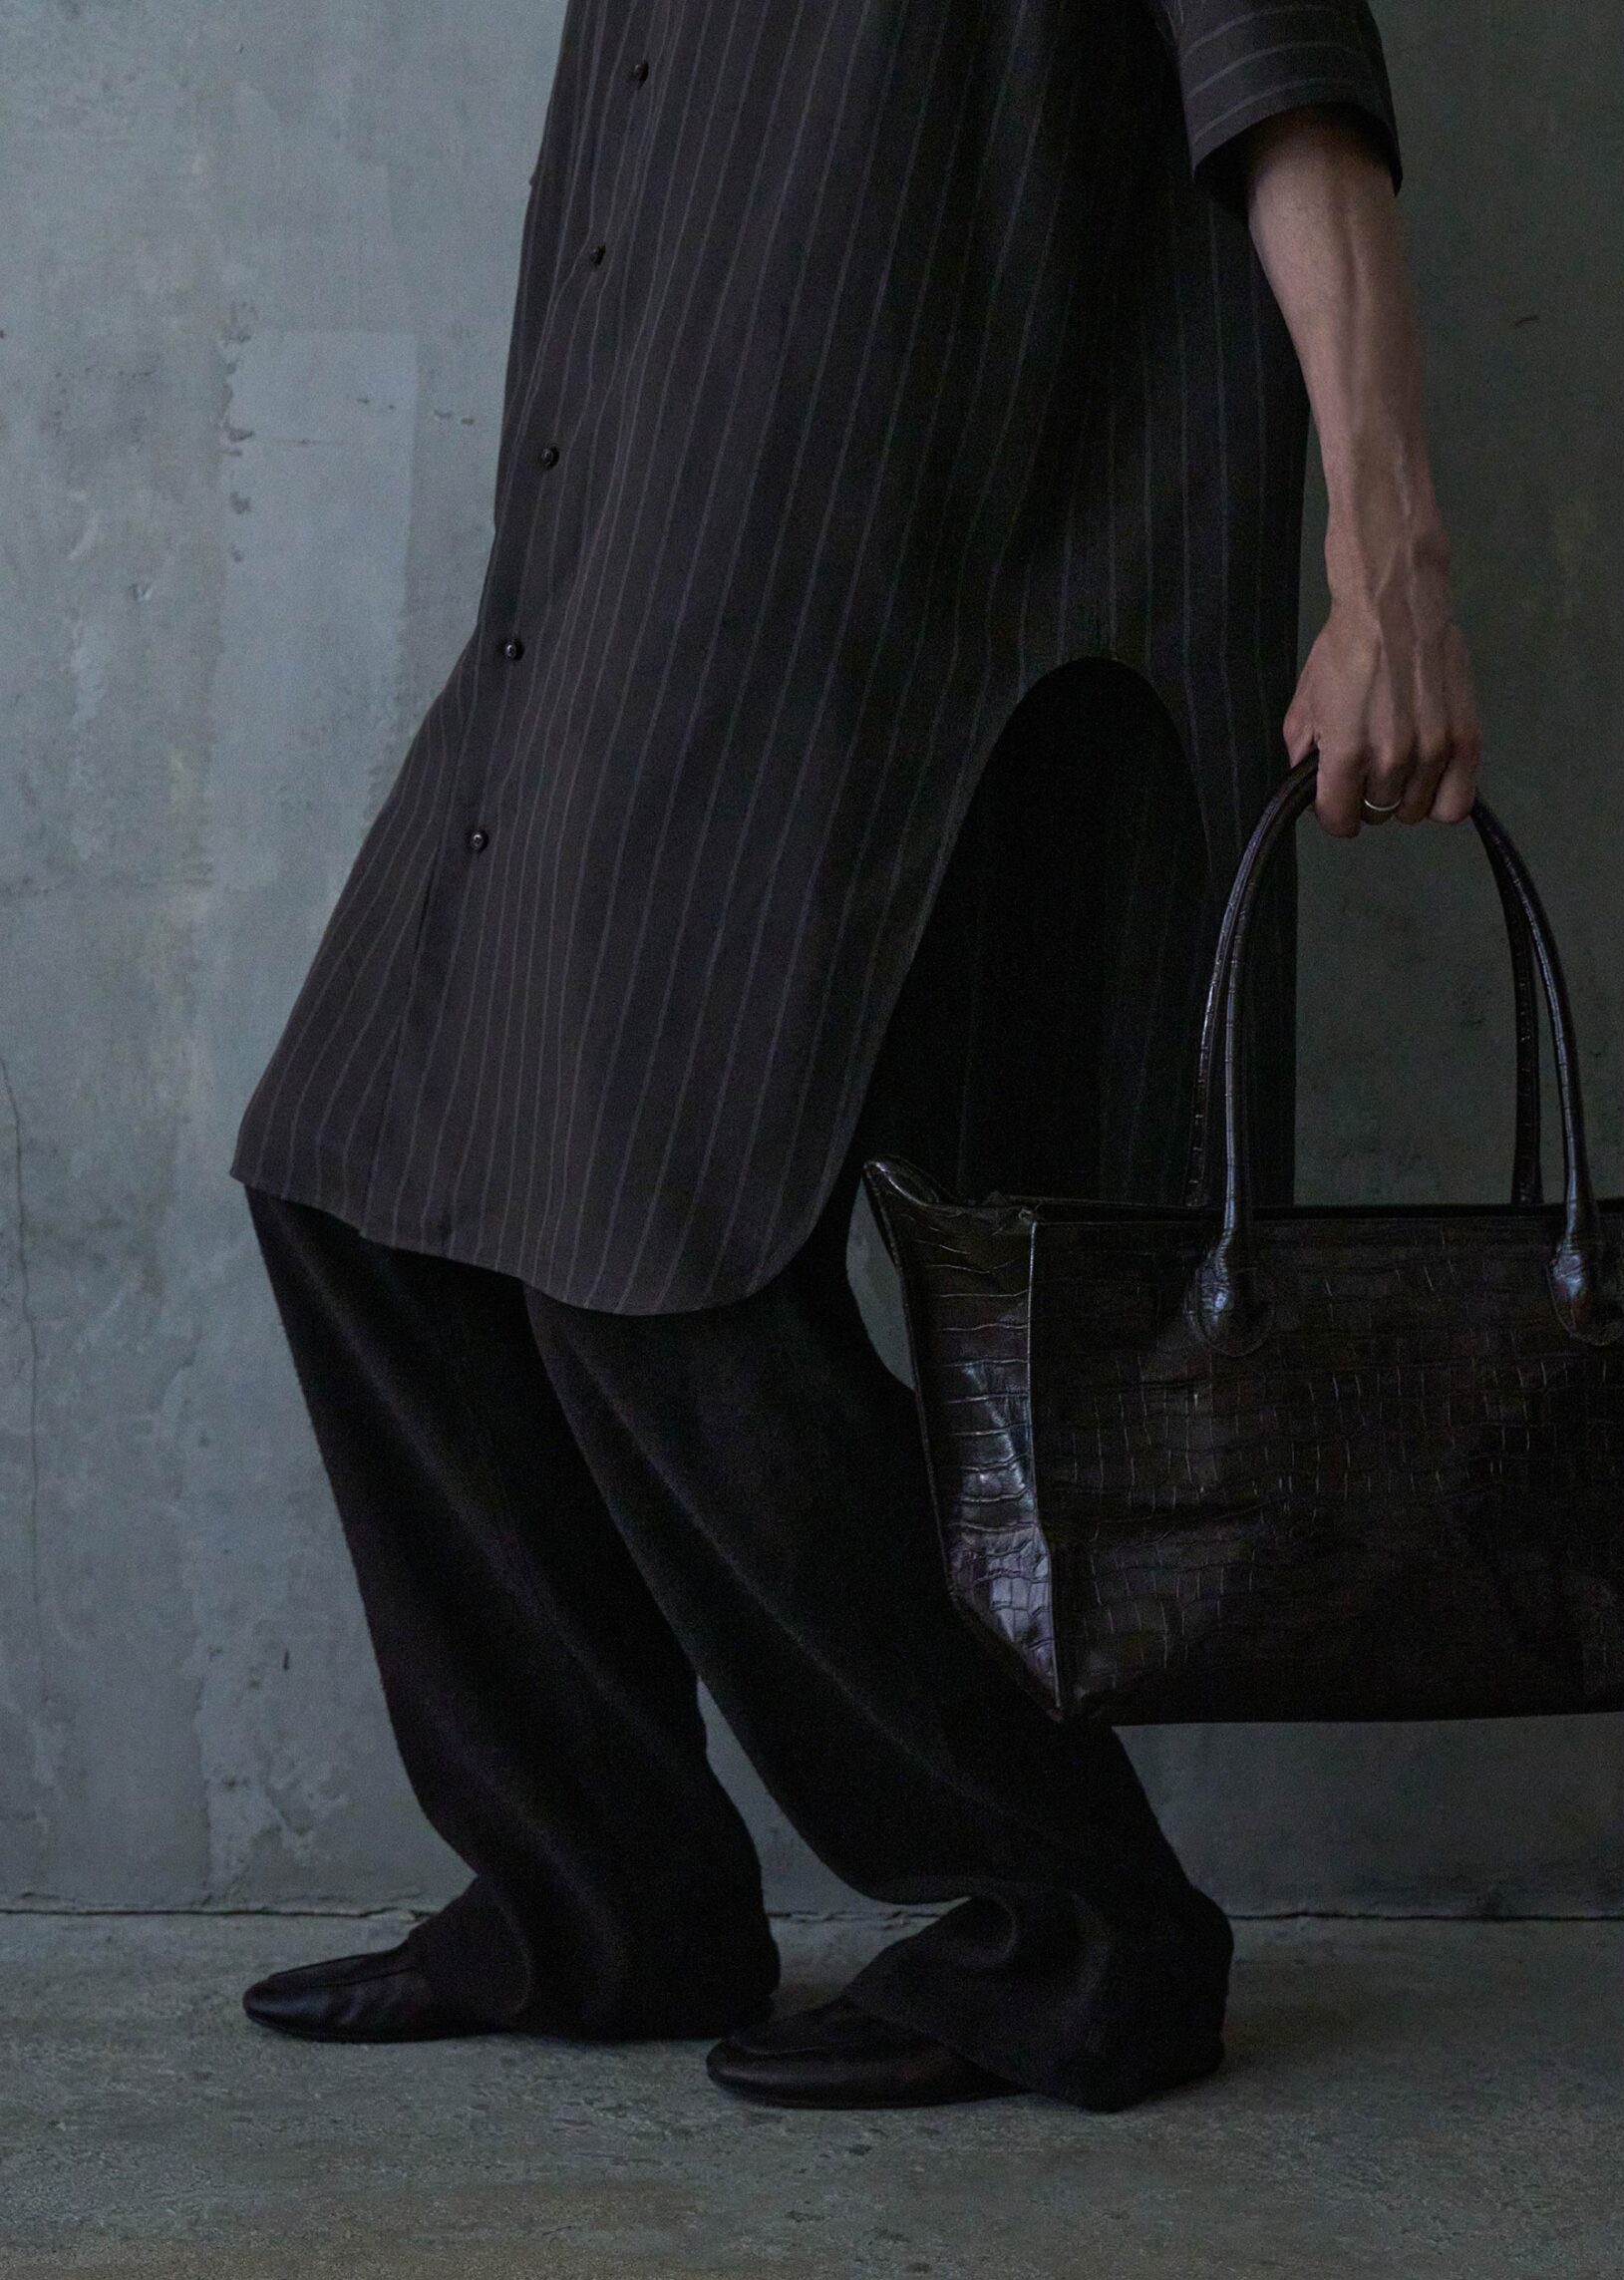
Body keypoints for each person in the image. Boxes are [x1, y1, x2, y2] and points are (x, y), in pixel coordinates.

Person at [229, 0, 1479, 2112]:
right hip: (602, 575)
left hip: (879, 582)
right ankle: (601, 1892)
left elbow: (1286, 86)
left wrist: (1390, 560)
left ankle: (1085, 1919)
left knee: (656, 1241)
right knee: (357, 1171)